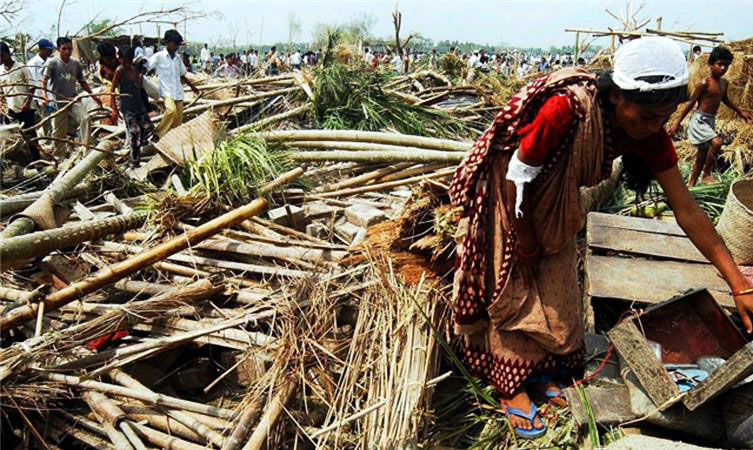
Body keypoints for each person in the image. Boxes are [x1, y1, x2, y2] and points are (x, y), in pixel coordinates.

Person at [448, 37, 753, 439]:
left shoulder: (649, 132)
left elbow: (688, 210)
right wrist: (522, 236)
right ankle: (511, 386)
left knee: (555, 289)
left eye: (663, 118)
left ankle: (538, 372)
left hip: (555, 199)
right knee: (514, 285)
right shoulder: (567, 109)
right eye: (646, 116)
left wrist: (738, 284)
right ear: (616, 98)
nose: (653, 127)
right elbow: (519, 173)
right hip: (512, 194)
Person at [670, 46, 752, 186]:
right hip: (700, 120)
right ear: (710, 64)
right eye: (720, 64)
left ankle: (691, 184)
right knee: (717, 143)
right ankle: (707, 174)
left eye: (726, 65)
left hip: (710, 121)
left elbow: (725, 99)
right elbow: (691, 102)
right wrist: (677, 122)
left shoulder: (723, 84)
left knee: (702, 155)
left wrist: (740, 112)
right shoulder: (704, 83)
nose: (723, 68)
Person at [41, 36, 102, 157]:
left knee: (85, 118)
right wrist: (45, 97)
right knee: (58, 131)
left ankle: (86, 149)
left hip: (73, 99)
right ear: (59, 49)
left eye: (69, 48)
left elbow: (82, 82)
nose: (67, 51)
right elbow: (44, 81)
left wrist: (94, 97)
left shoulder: (75, 64)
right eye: (64, 49)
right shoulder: (52, 63)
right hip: (57, 101)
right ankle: (59, 157)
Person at [148, 29, 199, 138]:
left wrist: (193, 87)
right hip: (166, 91)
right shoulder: (159, 57)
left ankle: (171, 138)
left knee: (178, 121)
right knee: (171, 111)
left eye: (178, 45)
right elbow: (146, 66)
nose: (176, 47)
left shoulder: (178, 58)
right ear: (167, 42)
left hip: (178, 92)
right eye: (175, 44)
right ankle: (158, 133)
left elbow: (182, 75)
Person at [110, 45, 156, 168]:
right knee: (134, 132)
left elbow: (146, 64)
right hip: (127, 107)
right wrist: (114, 107)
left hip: (138, 104)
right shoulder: (120, 70)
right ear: (119, 59)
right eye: (124, 61)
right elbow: (112, 88)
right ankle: (134, 161)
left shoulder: (136, 69)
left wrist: (141, 73)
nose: (126, 64)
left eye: (129, 61)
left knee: (149, 128)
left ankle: (141, 147)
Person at [0, 42, 41, 161]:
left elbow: (32, 86)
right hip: (10, 108)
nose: (0, 59)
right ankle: (15, 159)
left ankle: (36, 160)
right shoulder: (1, 71)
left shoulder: (21, 67)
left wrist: (27, 103)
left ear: (8, 54)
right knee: (9, 134)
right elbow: (2, 89)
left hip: (25, 108)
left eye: (2, 55)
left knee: (31, 135)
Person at [27, 39, 56, 137]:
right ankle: (49, 140)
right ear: (42, 49)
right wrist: (42, 98)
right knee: (46, 120)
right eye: (49, 50)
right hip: (40, 97)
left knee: (55, 119)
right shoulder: (32, 64)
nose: (50, 52)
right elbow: (34, 83)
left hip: (51, 95)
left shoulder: (49, 61)